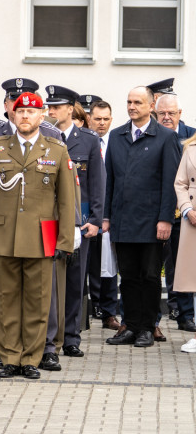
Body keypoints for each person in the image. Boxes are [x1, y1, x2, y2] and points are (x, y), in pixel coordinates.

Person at [0, 91, 75, 379]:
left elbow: (67, 201)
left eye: (32, 112)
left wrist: (65, 241)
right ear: (12, 115)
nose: (26, 117)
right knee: (6, 301)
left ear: (42, 115)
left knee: (38, 301)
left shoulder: (56, 150)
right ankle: (10, 358)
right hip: (4, 236)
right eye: (20, 112)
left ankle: (31, 358)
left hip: (42, 237)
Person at [104, 86, 181, 348]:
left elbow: (171, 182)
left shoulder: (165, 137)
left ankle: (147, 327)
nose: (132, 106)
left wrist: (165, 219)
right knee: (127, 276)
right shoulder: (117, 136)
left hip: (152, 222)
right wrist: (106, 216)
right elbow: (110, 181)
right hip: (123, 220)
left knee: (149, 276)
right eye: (128, 102)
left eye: (138, 102)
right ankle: (131, 325)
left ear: (151, 106)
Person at [40, 85, 104, 368]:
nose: (51, 111)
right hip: (48, 220)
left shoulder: (88, 139)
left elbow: (97, 184)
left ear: (71, 109)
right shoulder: (41, 136)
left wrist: (95, 221)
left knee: (75, 280)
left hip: (80, 220)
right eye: (49, 106)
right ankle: (49, 337)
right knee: (50, 279)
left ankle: (71, 337)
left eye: (57, 107)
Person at [153, 83, 196, 333]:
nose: (167, 118)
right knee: (156, 265)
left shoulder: (191, 136)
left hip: (185, 214)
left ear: (180, 113)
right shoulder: (150, 135)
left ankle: (185, 315)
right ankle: (155, 318)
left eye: (172, 113)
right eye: (162, 114)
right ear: (156, 113)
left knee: (185, 266)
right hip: (158, 211)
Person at [86, 99, 121, 331]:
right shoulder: (84, 142)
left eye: (106, 119)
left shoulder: (117, 142)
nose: (101, 123)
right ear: (89, 118)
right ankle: (81, 314)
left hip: (111, 213)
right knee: (85, 264)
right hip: (87, 212)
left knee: (108, 266)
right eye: (97, 118)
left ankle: (109, 312)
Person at [173, 132, 196, 352]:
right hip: (193, 219)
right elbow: (180, 183)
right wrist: (187, 209)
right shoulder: (190, 148)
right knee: (194, 278)